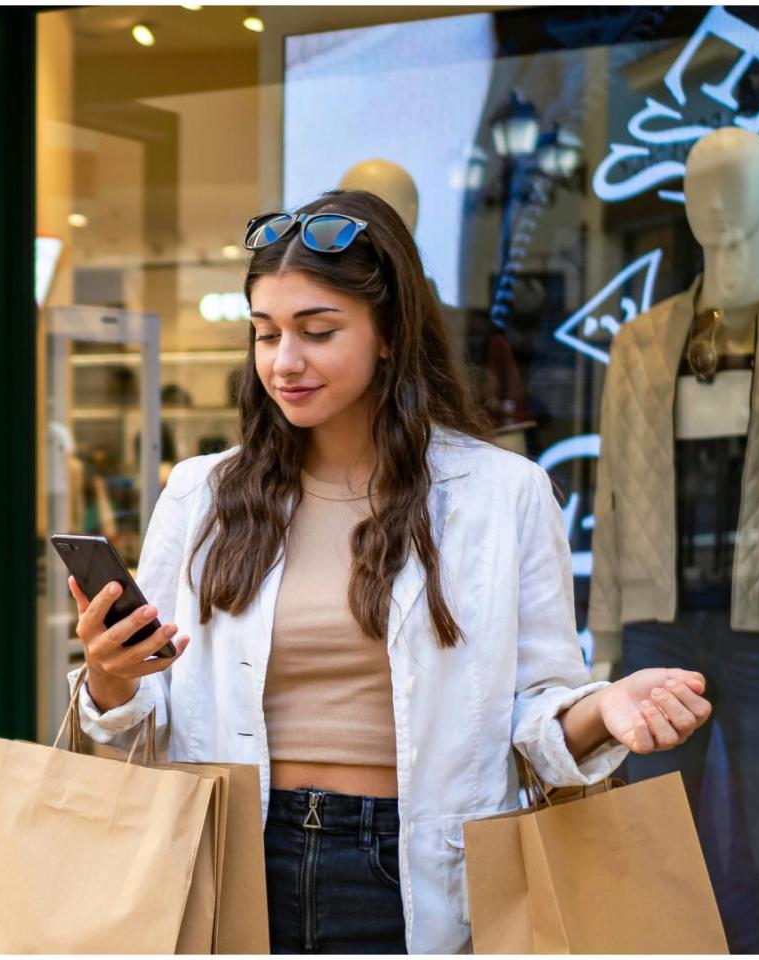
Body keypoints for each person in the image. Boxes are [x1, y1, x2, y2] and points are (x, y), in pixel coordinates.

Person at [66, 190, 713, 954]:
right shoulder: (202, 493)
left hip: (407, 866)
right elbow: (152, 712)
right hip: (231, 855)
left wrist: (606, 708)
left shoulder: (501, 494)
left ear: (389, 335)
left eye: (318, 331)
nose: (284, 361)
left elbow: (536, 714)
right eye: (264, 333)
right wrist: (110, 677)